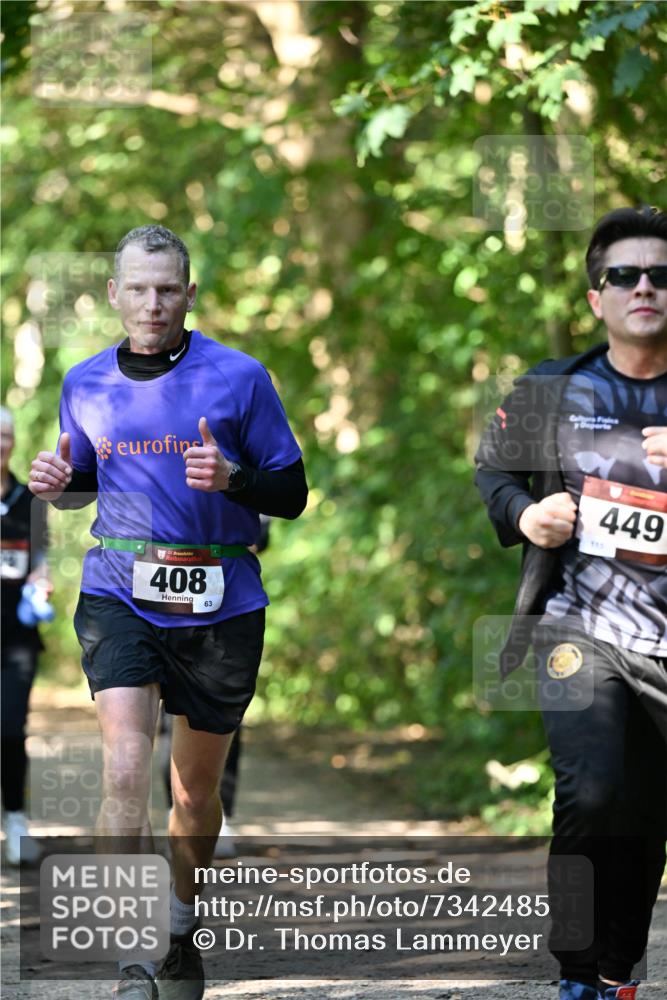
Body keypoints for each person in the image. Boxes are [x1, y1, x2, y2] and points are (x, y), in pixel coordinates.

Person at [28, 226, 308, 1000]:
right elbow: (84, 479)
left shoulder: (241, 378)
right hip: (118, 589)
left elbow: (291, 492)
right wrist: (58, 481)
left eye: (167, 289)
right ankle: (133, 958)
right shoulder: (83, 381)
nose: (152, 303)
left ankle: (180, 927)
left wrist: (235, 478)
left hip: (221, 600)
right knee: (123, 768)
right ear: (114, 294)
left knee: (193, 791)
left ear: (188, 294)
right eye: (137, 288)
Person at [475, 206, 667, 1000]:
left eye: (659, 274)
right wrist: (524, 515)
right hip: (577, 625)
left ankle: (619, 969)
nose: (643, 287)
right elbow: (494, 473)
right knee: (589, 792)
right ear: (597, 298)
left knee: (644, 811)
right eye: (622, 275)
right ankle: (577, 972)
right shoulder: (553, 389)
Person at [1, 406, 52, 866]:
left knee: (9, 727)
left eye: (4, 435)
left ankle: (15, 820)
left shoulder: (28, 500)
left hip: (16, 640)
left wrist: (42, 582)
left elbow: (41, 559)